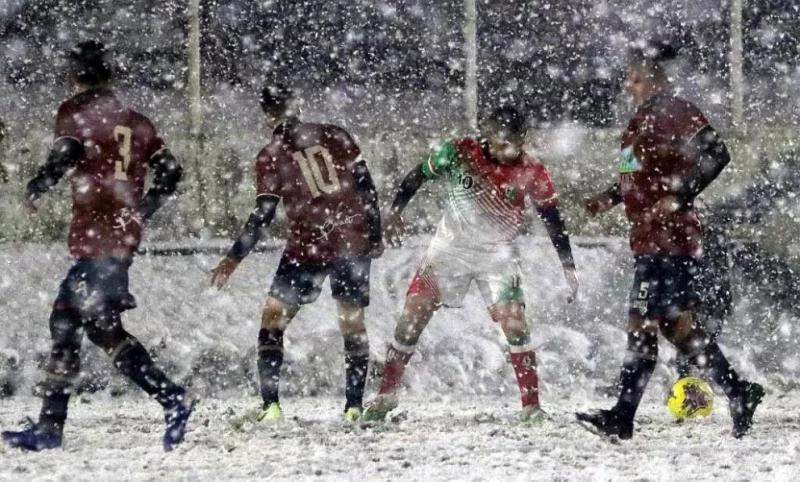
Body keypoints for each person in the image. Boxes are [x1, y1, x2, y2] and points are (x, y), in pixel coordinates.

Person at [2, 41, 192, 452]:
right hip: (119, 239)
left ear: (75, 77)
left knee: (65, 320)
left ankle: (53, 427)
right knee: (100, 329)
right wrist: (141, 211)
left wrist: (40, 182)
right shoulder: (137, 122)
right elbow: (172, 171)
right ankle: (170, 397)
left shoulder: (74, 112)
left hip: (97, 240)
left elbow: (67, 150)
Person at [577, 43, 763, 439]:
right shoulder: (638, 122)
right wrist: (608, 199)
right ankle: (739, 391)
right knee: (677, 330)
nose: (631, 86)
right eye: (629, 80)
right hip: (648, 240)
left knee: (640, 325)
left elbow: (717, 153)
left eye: (638, 79)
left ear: (657, 79)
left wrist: (681, 195)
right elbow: (636, 178)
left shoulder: (673, 110)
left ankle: (622, 418)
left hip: (670, 241)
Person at [362, 106, 578, 424]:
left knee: (515, 323)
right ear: (487, 137)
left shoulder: (532, 170)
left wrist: (568, 265)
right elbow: (418, 175)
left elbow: (552, 218)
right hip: (449, 251)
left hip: (496, 255)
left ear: (524, 139)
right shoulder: (460, 152)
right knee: (412, 316)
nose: (508, 151)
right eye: (501, 143)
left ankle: (531, 406)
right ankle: (386, 394)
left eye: (514, 144)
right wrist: (395, 211)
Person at [210, 83, 382, 422]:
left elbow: (263, 215)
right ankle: (353, 407)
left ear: (266, 116)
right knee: (352, 322)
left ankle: (271, 406)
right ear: (297, 105)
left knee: (273, 316)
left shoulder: (271, 154)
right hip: (350, 239)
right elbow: (366, 186)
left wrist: (233, 257)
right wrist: (373, 233)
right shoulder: (335, 134)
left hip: (309, 245)